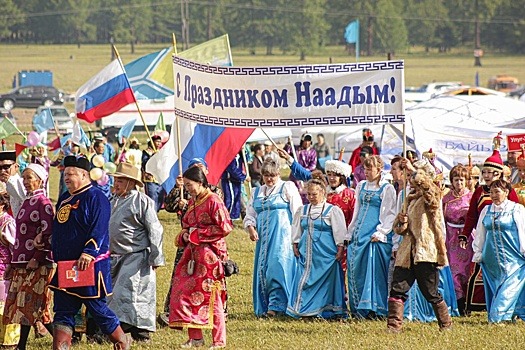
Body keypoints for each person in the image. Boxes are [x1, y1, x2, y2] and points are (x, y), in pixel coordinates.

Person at [49, 155, 130, 350]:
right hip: (65, 265)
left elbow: (99, 228)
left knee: (96, 307)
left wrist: (89, 252)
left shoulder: (96, 197)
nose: (66, 178)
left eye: (71, 174)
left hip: (89, 264)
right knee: (62, 308)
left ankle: (121, 342)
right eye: (65, 174)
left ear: (84, 175)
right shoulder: (64, 198)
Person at [169, 166, 232, 349]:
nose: (187, 188)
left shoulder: (214, 200)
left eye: (190, 185)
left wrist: (198, 234)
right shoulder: (192, 201)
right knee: (184, 293)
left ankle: (218, 340)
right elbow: (187, 226)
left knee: (212, 298)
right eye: (186, 185)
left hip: (211, 257)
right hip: (192, 256)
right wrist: (185, 235)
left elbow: (225, 227)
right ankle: (195, 338)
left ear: (200, 182)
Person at [387, 159, 452, 332]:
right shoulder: (409, 198)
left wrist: (412, 168)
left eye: (413, 175)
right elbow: (399, 229)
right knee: (397, 289)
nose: (410, 179)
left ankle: (445, 324)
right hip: (407, 251)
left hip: (425, 251)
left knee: (431, 292)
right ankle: (394, 327)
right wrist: (401, 223)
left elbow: (428, 188)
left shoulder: (432, 196)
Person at [159, 158, 224, 327]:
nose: (188, 188)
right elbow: (169, 206)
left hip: (209, 246)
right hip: (187, 244)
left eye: (200, 168)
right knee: (181, 279)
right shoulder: (186, 191)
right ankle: (177, 314)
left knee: (209, 284)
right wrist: (177, 188)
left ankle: (215, 317)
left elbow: (222, 224)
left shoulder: (214, 193)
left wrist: (198, 232)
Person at [108, 162, 165, 342]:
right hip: (114, 256)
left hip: (136, 256)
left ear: (131, 182)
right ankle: (121, 330)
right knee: (116, 295)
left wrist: (156, 257)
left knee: (133, 295)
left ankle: (140, 332)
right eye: (115, 179)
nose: (116, 184)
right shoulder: (113, 200)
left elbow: (155, 230)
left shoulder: (142, 201)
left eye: (121, 180)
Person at [462, 142, 520, 312]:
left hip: (507, 239)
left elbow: (516, 214)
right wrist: (465, 234)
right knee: (480, 273)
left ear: (498, 173)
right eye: (484, 172)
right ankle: (480, 305)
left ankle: (508, 306)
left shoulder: (509, 191)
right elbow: (472, 215)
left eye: (490, 172)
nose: (486, 175)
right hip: (486, 237)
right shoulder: (479, 191)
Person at [3, 164, 54, 350]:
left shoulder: (44, 203)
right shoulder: (26, 201)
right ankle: (21, 346)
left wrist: (37, 257)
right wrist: (12, 262)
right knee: (22, 304)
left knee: (37, 305)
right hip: (21, 261)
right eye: (24, 178)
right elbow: (19, 235)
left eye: (29, 178)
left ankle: (61, 340)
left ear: (40, 180)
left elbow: (48, 233)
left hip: (37, 262)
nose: (25, 182)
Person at [244, 159, 302, 317]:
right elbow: (250, 214)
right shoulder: (257, 192)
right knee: (264, 269)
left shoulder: (287, 187)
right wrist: (251, 228)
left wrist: (297, 237)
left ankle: (278, 305)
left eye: (273, 175)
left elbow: (297, 212)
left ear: (278, 174)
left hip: (282, 237)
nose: (269, 179)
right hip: (263, 239)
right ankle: (268, 303)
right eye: (266, 175)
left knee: (278, 266)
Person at [286, 178, 347, 318]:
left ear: (322, 193)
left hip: (325, 253)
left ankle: (323, 309)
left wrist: (340, 248)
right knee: (304, 279)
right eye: (309, 194)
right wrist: (295, 244)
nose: (311, 197)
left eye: (314, 194)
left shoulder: (332, 211)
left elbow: (339, 231)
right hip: (307, 252)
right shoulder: (303, 210)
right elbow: (297, 228)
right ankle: (304, 308)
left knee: (326, 281)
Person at [347, 155, 396, 319]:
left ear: (379, 170)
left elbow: (390, 213)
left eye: (370, 169)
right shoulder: (361, 186)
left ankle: (375, 308)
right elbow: (357, 210)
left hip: (374, 235)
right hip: (360, 233)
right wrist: (351, 230)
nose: (366, 172)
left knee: (373, 272)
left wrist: (381, 232)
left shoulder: (386, 188)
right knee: (356, 268)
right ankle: (358, 307)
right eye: (365, 169)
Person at [472, 179, 525, 323]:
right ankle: (513, 314)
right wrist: (478, 252)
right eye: (491, 192)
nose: (494, 195)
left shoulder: (517, 209)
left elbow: (523, 232)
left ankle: (499, 318)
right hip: (492, 261)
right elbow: (480, 233)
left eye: (497, 192)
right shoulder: (486, 210)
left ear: (506, 192)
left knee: (509, 289)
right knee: (499, 289)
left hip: (513, 260)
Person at [442, 165, 473, 315]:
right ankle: (458, 304)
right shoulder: (446, 198)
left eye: (461, 180)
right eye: (456, 180)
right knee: (454, 271)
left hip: (467, 237)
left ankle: (468, 302)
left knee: (466, 271)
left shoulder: (471, 196)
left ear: (466, 181)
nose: (459, 183)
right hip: (450, 236)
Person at [142, 135, 165, 212]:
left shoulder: (161, 152)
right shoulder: (147, 152)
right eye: (157, 141)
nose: (158, 143)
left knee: (160, 197)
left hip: (159, 178)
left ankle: (156, 211)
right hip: (150, 178)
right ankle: (152, 213)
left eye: (159, 141)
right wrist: (152, 157)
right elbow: (145, 164)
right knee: (152, 197)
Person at [221, 151, 247, 220]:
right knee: (229, 199)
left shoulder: (239, 156)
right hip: (229, 180)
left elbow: (245, 160)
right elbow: (232, 169)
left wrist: (244, 152)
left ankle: (233, 217)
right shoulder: (229, 157)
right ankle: (227, 218)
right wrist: (243, 177)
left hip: (236, 181)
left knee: (236, 198)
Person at [0, 151, 25, 217]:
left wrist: (9, 181)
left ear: (16, 167)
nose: (2, 171)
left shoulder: (22, 182)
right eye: (0, 168)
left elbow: (25, 198)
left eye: (6, 167)